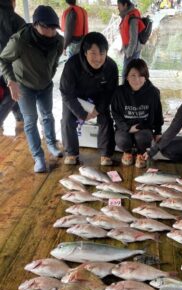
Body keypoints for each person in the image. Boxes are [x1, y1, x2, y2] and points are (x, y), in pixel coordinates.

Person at [0, 5, 64, 173]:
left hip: (45, 84)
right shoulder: (20, 40)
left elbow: (57, 57)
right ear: (35, 25)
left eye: (54, 28)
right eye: (46, 27)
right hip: (24, 85)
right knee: (30, 120)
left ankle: (51, 143)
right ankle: (38, 157)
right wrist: (11, 82)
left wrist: (51, 72)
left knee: (48, 115)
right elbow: (3, 60)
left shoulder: (58, 40)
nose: (51, 32)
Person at [60, 32, 119, 166]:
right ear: (85, 52)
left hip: (99, 96)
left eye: (102, 53)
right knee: (67, 119)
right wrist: (81, 113)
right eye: (93, 53)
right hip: (76, 97)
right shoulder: (72, 64)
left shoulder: (111, 66)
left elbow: (110, 92)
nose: (98, 58)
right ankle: (71, 153)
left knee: (106, 119)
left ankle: (106, 154)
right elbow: (66, 92)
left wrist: (98, 109)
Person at [111, 59, 163, 168]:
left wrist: (158, 131)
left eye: (141, 75)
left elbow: (158, 113)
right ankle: (128, 152)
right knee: (122, 140)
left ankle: (140, 153)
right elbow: (115, 114)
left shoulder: (153, 92)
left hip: (143, 127)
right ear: (126, 76)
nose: (137, 79)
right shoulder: (119, 92)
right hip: (125, 126)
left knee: (143, 138)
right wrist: (127, 128)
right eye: (133, 75)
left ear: (146, 76)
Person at [0, 0, 25, 124]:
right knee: (11, 94)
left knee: (8, 92)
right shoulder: (17, 21)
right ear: (12, 2)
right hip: (10, 64)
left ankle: (19, 115)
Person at [117, 0, 145, 80]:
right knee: (128, 74)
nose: (118, 7)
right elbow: (126, 35)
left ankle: (126, 91)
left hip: (132, 51)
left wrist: (128, 54)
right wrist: (123, 48)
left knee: (127, 74)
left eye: (119, 5)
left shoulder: (132, 17)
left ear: (125, 5)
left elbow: (133, 39)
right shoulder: (127, 15)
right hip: (129, 49)